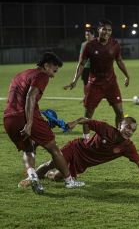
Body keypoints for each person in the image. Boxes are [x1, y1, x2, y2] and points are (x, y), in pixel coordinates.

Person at [3, 52, 85, 194]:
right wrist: (29, 124)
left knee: (28, 149)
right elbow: (30, 96)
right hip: (25, 118)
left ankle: (33, 176)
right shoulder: (42, 75)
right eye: (54, 70)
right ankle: (69, 181)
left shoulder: (22, 74)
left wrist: (43, 121)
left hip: (9, 118)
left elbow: (21, 98)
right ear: (46, 65)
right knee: (53, 147)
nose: (53, 75)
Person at [27, 116, 139, 188]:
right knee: (52, 163)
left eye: (133, 130)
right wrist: (78, 126)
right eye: (127, 127)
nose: (129, 131)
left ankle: (49, 175)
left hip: (83, 163)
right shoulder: (106, 129)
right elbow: (86, 120)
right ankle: (30, 179)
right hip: (76, 148)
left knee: (57, 177)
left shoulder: (128, 146)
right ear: (119, 126)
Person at [64, 19, 130, 141]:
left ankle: (119, 139)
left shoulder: (115, 44)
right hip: (94, 85)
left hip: (111, 84)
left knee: (120, 112)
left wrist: (127, 75)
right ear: (98, 30)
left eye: (109, 30)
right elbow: (82, 64)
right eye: (104, 29)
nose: (107, 32)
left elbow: (119, 60)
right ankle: (86, 141)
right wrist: (75, 80)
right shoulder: (90, 46)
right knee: (88, 114)